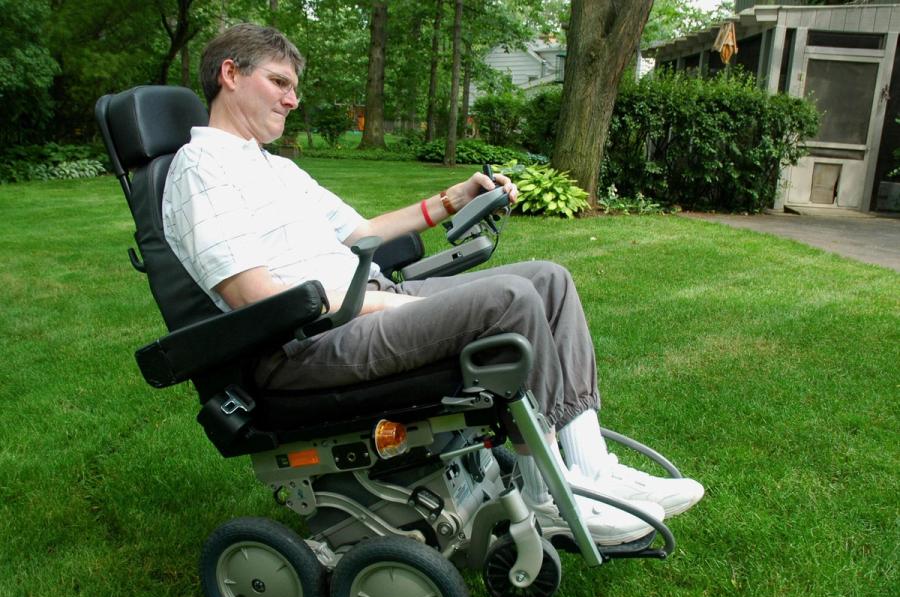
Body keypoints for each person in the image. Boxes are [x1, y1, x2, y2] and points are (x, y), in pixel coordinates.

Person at [162, 23, 704, 546]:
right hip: (306, 345)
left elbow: (363, 232)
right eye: (280, 82)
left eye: (295, 88)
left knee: (549, 280)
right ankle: (553, 498)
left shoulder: (275, 169)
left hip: (361, 307)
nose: (292, 99)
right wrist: (378, 304)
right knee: (509, 301)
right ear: (230, 74)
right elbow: (252, 298)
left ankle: (591, 472)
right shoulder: (199, 168)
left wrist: (456, 197)